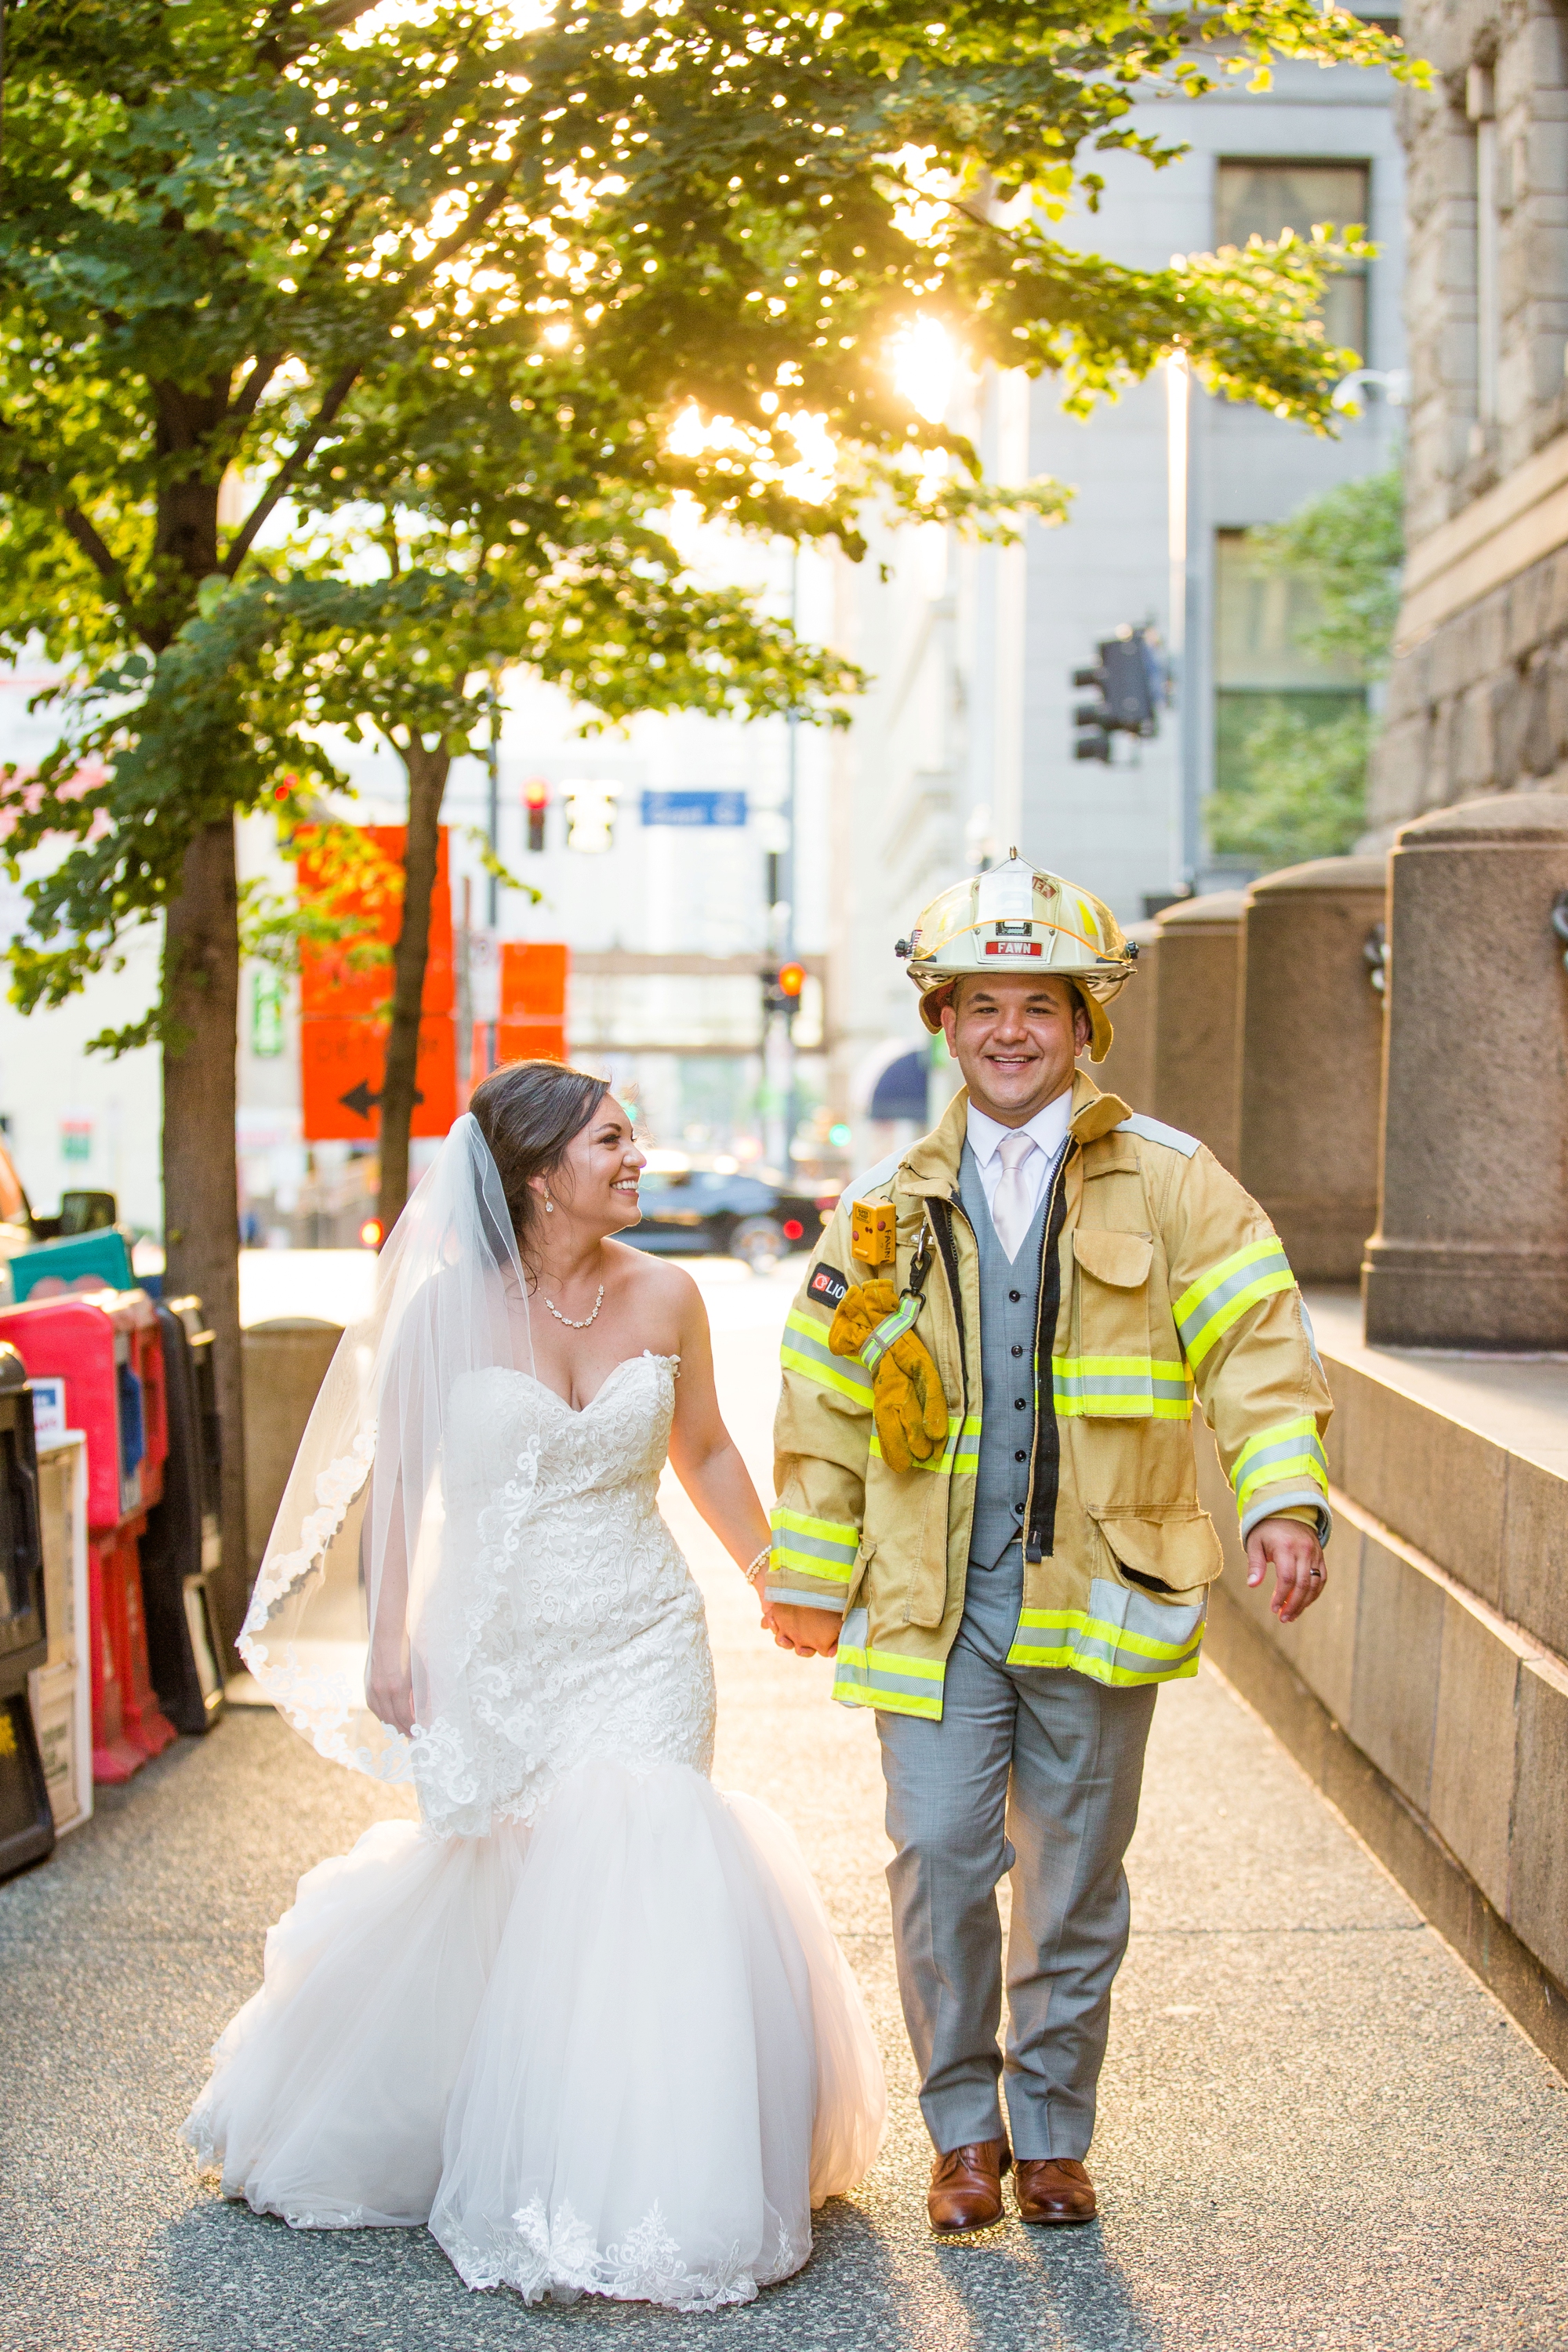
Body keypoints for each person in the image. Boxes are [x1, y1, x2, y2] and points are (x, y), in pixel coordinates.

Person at [183, 1061, 884, 2311]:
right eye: (613, 1141)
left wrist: (782, 1575)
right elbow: (398, 1483)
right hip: (497, 1641)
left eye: (636, 1136)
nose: (639, 1158)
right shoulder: (443, 1314)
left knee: (644, 1849)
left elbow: (707, 1448)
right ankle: (470, 2110)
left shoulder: (669, 1295)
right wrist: (387, 1641)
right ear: (537, 1170)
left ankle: (645, 2170)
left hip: (641, 1632)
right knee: (505, 1878)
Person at [767, 855, 1331, 2235]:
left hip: (1103, 1594)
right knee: (943, 1862)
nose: (1009, 1029)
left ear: (1086, 1026)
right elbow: (823, 1397)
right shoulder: (886, 1205)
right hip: (932, 1607)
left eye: (1040, 1004)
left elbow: (1260, 1354)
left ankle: (1057, 2135)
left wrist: (1284, 1501)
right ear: (945, 1026)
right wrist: (807, 1570)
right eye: (981, 1005)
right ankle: (964, 2132)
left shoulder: (1178, 1183)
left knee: (1075, 1878)